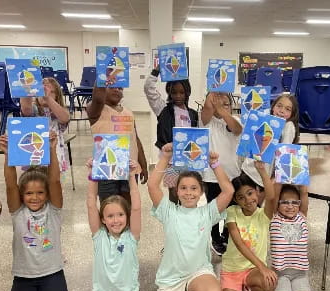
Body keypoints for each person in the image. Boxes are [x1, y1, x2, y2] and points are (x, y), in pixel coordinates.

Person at [147, 143, 234, 291]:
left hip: (198, 272)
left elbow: (228, 191)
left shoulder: (207, 212)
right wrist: (165, 158)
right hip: (171, 278)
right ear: (176, 191)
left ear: (201, 191)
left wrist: (215, 164)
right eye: (184, 188)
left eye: (194, 188)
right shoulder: (168, 211)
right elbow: (153, 185)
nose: (188, 193)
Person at [0, 132, 68, 291]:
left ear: (47, 195)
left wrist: (52, 150)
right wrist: (7, 154)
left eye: (40, 192)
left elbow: (54, 181)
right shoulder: (18, 212)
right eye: (29, 193)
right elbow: (10, 185)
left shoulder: (53, 210)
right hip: (23, 278)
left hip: (52, 276)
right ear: (22, 196)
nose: (35, 197)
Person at [83, 159, 142, 291]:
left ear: (127, 216)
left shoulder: (131, 236)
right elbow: (90, 204)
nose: (115, 220)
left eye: (120, 215)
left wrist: (131, 177)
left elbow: (136, 207)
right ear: (102, 219)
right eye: (110, 216)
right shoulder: (99, 235)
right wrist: (93, 174)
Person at [220, 162, 277, 291]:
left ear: (258, 192)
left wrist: (262, 171)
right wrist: (262, 267)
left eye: (250, 193)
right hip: (232, 270)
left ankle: (251, 290)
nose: (247, 200)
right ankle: (234, 289)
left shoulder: (263, 215)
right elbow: (239, 243)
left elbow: (272, 196)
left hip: (252, 270)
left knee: (269, 281)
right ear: (236, 200)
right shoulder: (232, 212)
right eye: (240, 197)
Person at [144, 65, 198, 203]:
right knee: (173, 194)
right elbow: (148, 89)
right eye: (174, 92)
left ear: (187, 93)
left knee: (189, 194)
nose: (178, 96)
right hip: (170, 162)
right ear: (169, 92)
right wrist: (156, 71)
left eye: (182, 92)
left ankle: (188, 221)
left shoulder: (193, 114)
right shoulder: (163, 110)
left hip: (189, 161)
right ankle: (173, 222)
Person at [87, 86, 148, 203]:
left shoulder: (128, 112)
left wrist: (143, 165)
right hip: (106, 169)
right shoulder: (95, 110)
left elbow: (135, 139)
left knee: (127, 204)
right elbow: (98, 98)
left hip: (130, 167)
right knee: (109, 205)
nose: (117, 90)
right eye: (112, 87)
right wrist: (102, 74)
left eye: (120, 88)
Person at [200, 92, 242, 256]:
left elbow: (237, 129)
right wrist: (211, 99)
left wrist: (222, 109)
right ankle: (215, 237)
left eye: (226, 104)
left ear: (231, 107)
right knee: (214, 208)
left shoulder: (235, 121)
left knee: (231, 209)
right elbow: (205, 113)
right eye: (216, 103)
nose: (221, 106)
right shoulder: (207, 122)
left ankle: (227, 234)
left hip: (232, 175)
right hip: (211, 176)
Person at [241, 94, 300, 204]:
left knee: (254, 211)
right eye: (279, 106)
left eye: (287, 109)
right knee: (241, 210)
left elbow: (284, 155)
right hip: (247, 170)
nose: (282, 111)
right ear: (273, 107)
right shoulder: (264, 119)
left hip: (262, 178)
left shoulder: (288, 126)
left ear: (292, 114)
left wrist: (273, 179)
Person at [270, 184, 312, 291]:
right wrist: (281, 174)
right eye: (284, 202)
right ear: (278, 204)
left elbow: (304, 192)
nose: (290, 206)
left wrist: (301, 173)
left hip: (300, 274)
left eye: (295, 202)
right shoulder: (274, 217)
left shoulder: (302, 216)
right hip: (280, 274)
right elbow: (274, 194)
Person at [20, 77, 71, 173]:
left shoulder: (58, 112)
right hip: (33, 162)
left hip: (55, 160)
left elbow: (64, 118)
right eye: (42, 90)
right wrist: (27, 87)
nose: (45, 93)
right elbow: (26, 108)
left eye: (51, 92)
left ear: (57, 96)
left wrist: (47, 98)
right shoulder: (34, 110)